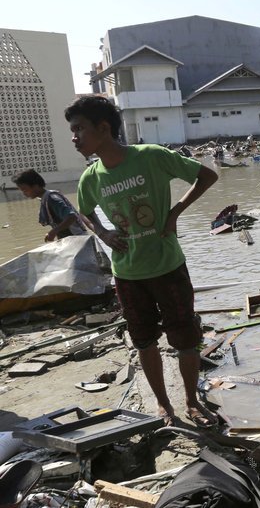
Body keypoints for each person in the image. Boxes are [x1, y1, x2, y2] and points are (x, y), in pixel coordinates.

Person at [69, 96, 219, 428]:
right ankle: (165, 406)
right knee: (144, 341)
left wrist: (175, 212)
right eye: (72, 130)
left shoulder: (151, 156)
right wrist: (105, 235)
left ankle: (192, 401)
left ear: (104, 128)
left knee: (185, 338)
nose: (74, 137)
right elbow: (85, 211)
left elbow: (207, 176)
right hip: (128, 274)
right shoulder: (90, 178)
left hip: (168, 268)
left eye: (79, 128)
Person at [12, 169, 87, 241]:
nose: (24, 193)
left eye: (25, 190)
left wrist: (54, 231)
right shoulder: (45, 199)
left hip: (78, 239)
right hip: (71, 240)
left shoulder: (52, 199)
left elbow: (72, 217)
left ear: (35, 186)